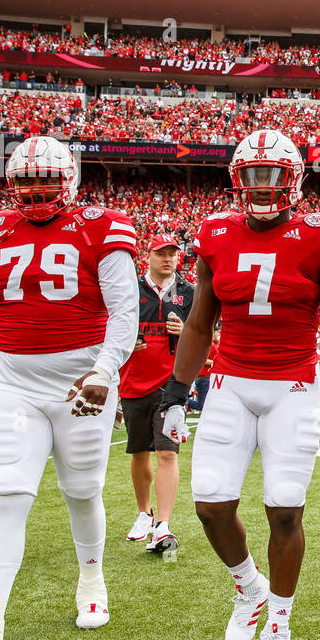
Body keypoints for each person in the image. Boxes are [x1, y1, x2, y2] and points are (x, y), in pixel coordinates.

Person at [156, 128, 320, 640]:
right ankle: (249, 587)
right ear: (237, 179)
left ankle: (278, 624)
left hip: (294, 385)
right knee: (209, 504)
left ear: (292, 179)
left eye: (271, 175)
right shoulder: (215, 233)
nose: (260, 186)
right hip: (230, 380)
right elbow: (201, 322)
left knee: (283, 508)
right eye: (251, 175)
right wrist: (178, 394)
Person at [0, 135, 139, 640]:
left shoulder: (103, 224)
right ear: (11, 183)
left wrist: (103, 370)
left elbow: (123, 310)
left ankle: (91, 579)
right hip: (13, 382)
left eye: (47, 180)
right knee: (5, 496)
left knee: (82, 489)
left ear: (69, 180)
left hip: (80, 382)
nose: (38, 191)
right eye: (27, 181)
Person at [119, 234, 193, 551]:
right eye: (161, 253)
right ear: (148, 256)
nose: (167, 259)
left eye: (172, 254)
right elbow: (111, 327)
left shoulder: (190, 293)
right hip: (134, 380)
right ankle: (143, 513)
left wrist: (185, 331)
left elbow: (205, 333)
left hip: (171, 384)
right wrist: (127, 342)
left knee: (166, 451)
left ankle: (163, 524)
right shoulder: (129, 290)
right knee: (138, 451)